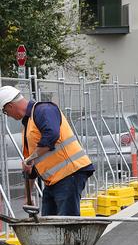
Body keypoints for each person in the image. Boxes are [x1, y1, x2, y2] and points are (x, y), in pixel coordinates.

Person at [0, 86, 94, 216]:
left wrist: (31, 158)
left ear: (10, 106)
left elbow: (51, 135)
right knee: (48, 222)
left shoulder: (44, 109)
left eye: (5, 111)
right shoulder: (28, 125)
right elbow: (30, 168)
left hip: (70, 173)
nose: (8, 115)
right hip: (53, 181)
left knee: (66, 223)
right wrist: (28, 197)